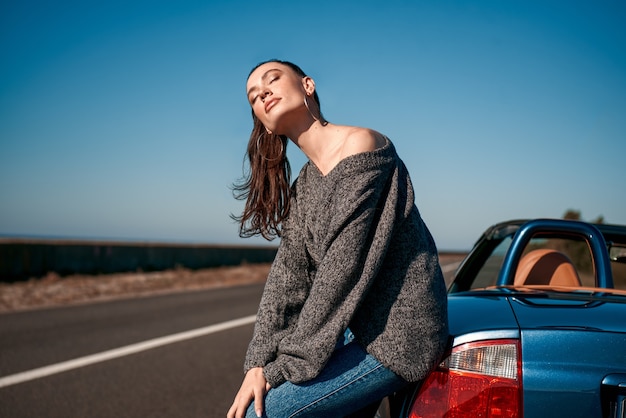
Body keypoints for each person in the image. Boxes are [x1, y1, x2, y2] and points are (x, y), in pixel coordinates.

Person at [227, 60, 448, 418]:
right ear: (263, 124)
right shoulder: (306, 186)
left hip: (398, 335)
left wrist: (278, 371)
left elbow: (339, 274)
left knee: (260, 414)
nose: (263, 93)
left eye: (272, 80)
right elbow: (288, 278)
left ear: (308, 86)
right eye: (253, 96)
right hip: (350, 330)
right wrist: (257, 363)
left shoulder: (362, 148)